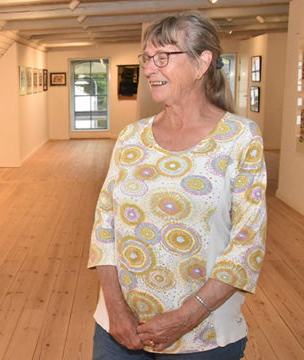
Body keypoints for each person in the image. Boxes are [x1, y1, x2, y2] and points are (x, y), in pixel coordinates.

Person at [88, 12, 266, 360]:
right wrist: (115, 309)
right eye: (147, 59)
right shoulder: (131, 137)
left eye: (163, 58)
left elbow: (248, 245)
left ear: (202, 63)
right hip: (119, 331)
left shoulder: (241, 138)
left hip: (204, 336)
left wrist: (186, 317)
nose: (150, 68)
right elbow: (104, 227)